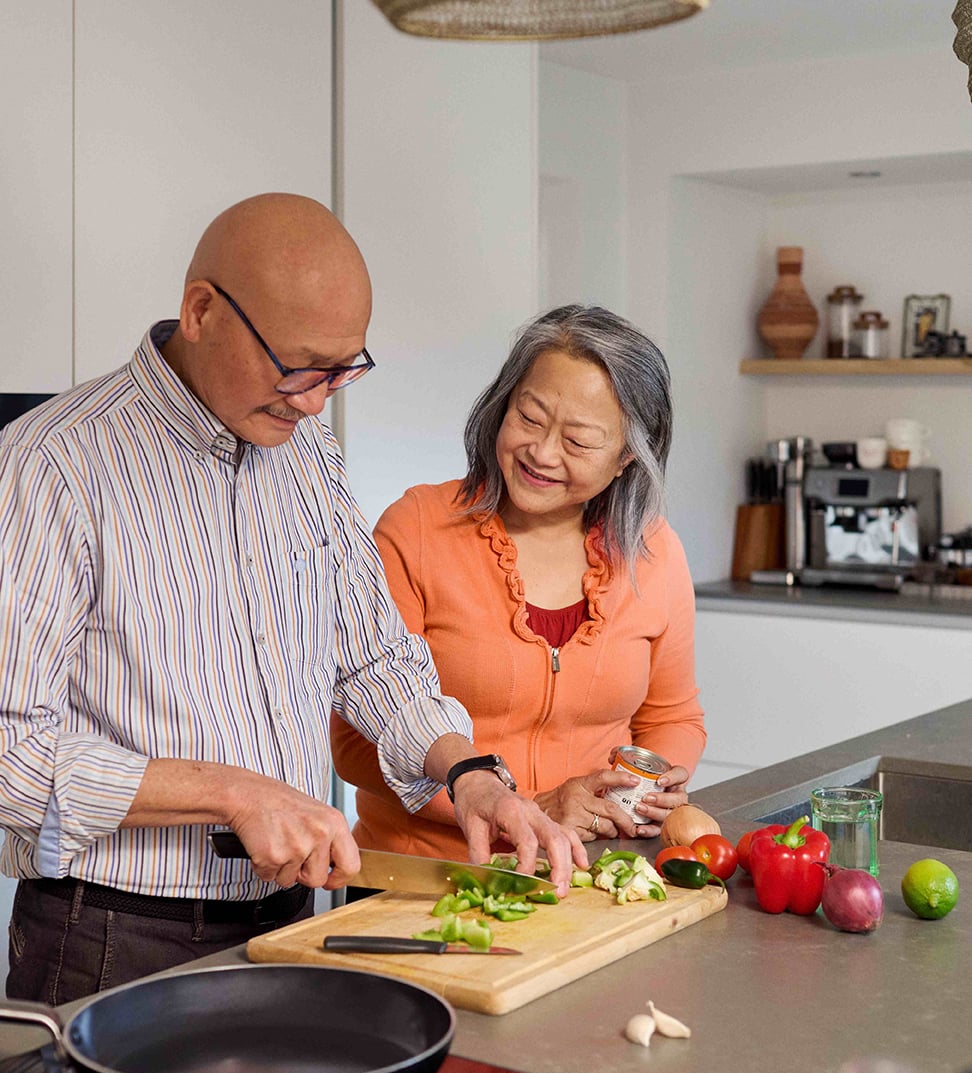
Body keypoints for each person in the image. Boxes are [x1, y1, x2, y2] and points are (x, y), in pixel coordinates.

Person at [0, 193, 584, 1005]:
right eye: (298, 367)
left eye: (343, 370)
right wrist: (230, 791)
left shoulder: (308, 453)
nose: (316, 400)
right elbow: (6, 753)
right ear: (201, 310)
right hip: (110, 938)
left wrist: (474, 776)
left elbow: (375, 658)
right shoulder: (50, 465)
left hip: (289, 920)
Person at [331, 304, 706, 863]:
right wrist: (529, 806)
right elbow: (356, 744)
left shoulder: (654, 553)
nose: (542, 452)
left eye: (578, 441)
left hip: (581, 873)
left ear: (628, 456)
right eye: (529, 418)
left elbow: (671, 718)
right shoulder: (416, 530)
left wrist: (643, 794)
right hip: (422, 879)